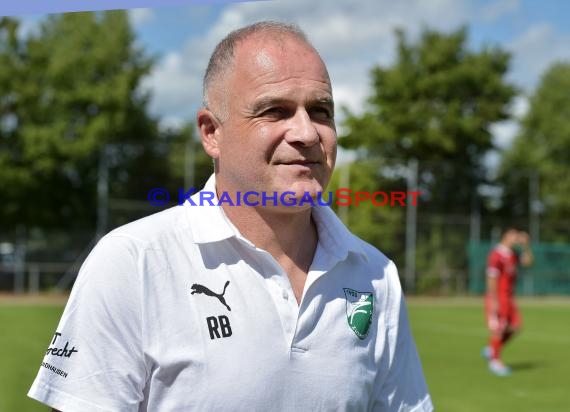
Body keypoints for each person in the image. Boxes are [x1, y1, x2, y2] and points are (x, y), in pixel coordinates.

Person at [28, 21, 433, 411]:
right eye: (275, 111)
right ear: (211, 133)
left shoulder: (375, 275)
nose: (307, 133)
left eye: (321, 110)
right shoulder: (134, 261)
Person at [483, 227, 533, 376]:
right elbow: (491, 277)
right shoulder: (496, 255)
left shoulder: (512, 254)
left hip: (509, 298)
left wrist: (525, 245)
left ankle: (492, 349)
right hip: (498, 297)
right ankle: (495, 362)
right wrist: (494, 299)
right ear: (505, 236)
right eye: (513, 235)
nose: (516, 237)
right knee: (498, 329)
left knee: (516, 326)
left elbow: (529, 262)